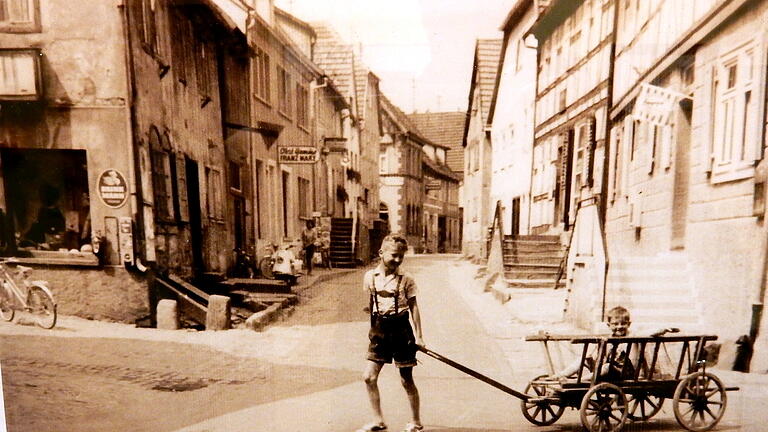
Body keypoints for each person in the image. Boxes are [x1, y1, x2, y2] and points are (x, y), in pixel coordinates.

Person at [359, 234, 424, 432]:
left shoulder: (407, 279)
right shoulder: (370, 277)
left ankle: (416, 422)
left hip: (401, 331)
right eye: (394, 255)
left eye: (401, 256)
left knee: (406, 379)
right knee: (369, 377)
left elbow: (414, 308)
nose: (397, 260)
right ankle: (378, 420)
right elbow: (370, 304)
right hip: (380, 332)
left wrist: (419, 337)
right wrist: (374, 329)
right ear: (381, 253)